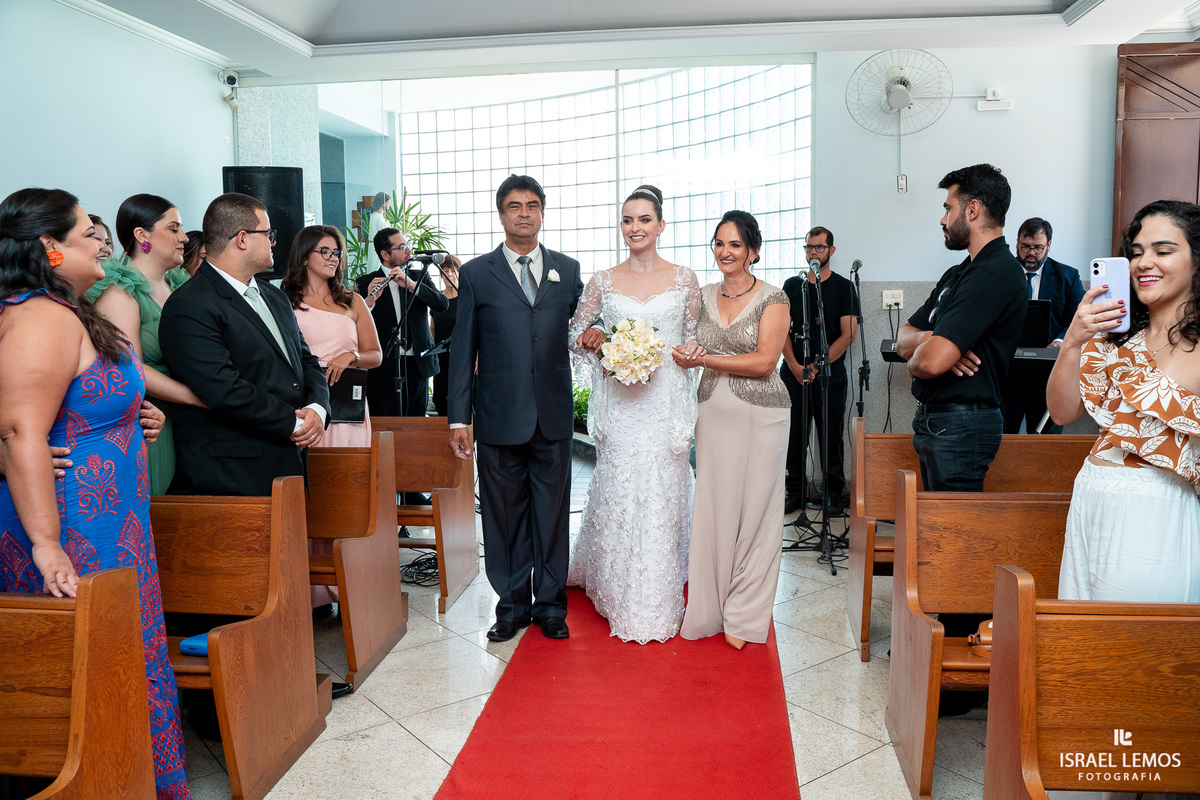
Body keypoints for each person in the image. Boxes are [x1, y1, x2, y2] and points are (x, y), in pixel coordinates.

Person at [0, 187, 191, 799]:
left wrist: (134, 416)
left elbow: (83, 401)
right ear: (49, 247)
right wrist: (46, 542)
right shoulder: (38, 316)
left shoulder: (73, 310)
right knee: (92, 663)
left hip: (114, 523)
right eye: (89, 234)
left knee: (124, 652)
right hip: (73, 526)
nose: (103, 245)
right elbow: (20, 430)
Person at [448, 174, 584, 643]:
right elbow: (462, 350)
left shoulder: (568, 269)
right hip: (498, 414)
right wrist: (458, 418)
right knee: (503, 515)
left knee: (552, 515)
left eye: (532, 205)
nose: (524, 214)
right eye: (514, 206)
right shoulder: (476, 273)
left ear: (542, 211)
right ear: (501, 213)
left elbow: (586, 326)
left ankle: (550, 606)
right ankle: (510, 607)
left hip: (552, 414)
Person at [567, 184, 703, 643]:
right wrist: (594, 340)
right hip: (622, 406)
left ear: (661, 225)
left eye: (644, 219)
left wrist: (688, 353)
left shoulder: (685, 280)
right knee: (622, 485)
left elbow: (692, 339)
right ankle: (613, 582)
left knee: (662, 488)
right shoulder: (603, 281)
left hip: (663, 404)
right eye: (627, 220)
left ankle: (657, 591)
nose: (635, 227)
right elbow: (575, 334)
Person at [1048, 199, 1200, 603]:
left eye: (1163, 251)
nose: (1143, 263)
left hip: (1156, 511)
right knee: (1084, 632)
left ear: (1196, 261)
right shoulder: (1113, 338)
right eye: (1136, 252)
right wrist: (1073, 341)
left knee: (1137, 637)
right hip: (1090, 498)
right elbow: (1062, 411)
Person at [159, 192, 330, 497]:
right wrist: (294, 424)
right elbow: (222, 388)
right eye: (268, 234)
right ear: (242, 239)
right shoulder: (190, 304)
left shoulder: (274, 296)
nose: (273, 242)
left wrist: (317, 408)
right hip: (233, 473)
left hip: (289, 461)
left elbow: (305, 360)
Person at [673, 210, 790, 650]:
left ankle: (744, 614)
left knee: (757, 509)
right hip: (713, 413)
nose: (726, 252)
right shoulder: (701, 295)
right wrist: (686, 353)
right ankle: (709, 609)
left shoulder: (774, 298)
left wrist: (704, 359)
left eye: (735, 244)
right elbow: (687, 342)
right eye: (719, 243)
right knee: (714, 506)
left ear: (753, 251)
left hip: (763, 415)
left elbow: (765, 362)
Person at [896, 163, 1027, 492]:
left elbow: (928, 363)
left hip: (962, 424)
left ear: (972, 209)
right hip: (939, 422)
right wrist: (932, 338)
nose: (943, 220)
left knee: (951, 524)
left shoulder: (994, 273)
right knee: (933, 520)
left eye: (948, 208)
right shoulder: (959, 274)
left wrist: (918, 360)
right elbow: (902, 339)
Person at [89, 194, 206, 494]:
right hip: (151, 420)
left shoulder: (179, 286)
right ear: (142, 235)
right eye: (174, 228)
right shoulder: (120, 293)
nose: (184, 237)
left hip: (190, 418)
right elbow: (132, 367)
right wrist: (199, 398)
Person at [780, 225, 859, 514]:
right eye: (809, 247)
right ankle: (795, 493)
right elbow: (780, 331)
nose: (813, 252)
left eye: (819, 247)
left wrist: (815, 366)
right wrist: (794, 365)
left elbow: (848, 335)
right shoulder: (793, 286)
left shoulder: (843, 287)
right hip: (793, 374)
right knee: (794, 437)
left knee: (830, 437)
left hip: (829, 375)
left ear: (831, 250)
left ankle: (833, 495)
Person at [282, 225, 382, 447]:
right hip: (303, 403)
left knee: (349, 463)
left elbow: (376, 355)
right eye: (324, 251)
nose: (333, 258)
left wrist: (352, 356)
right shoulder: (284, 302)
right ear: (304, 256)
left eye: (336, 252)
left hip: (346, 404)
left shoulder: (353, 301)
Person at [1001, 217, 1085, 434]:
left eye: (1038, 248)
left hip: (1050, 372)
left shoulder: (1067, 276)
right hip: (1007, 371)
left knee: (1046, 440)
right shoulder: (1000, 273)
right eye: (1025, 247)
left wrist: (1059, 340)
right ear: (1017, 243)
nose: (1031, 253)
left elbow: (1078, 318)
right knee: (1003, 437)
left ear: (1049, 245)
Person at [356, 227, 449, 417]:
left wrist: (412, 285)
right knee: (384, 422)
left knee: (416, 423)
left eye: (407, 245)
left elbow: (442, 304)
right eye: (402, 247)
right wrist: (369, 301)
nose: (409, 250)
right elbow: (353, 323)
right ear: (385, 254)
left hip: (417, 364)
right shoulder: (365, 282)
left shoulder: (418, 276)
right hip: (383, 365)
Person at [430, 254, 461, 417]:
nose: (449, 273)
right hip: (441, 358)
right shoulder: (438, 299)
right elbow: (432, 329)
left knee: (461, 397)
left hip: (462, 357)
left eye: (453, 270)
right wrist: (431, 353)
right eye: (445, 270)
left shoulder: (466, 297)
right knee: (440, 398)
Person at [363, 191, 390, 276]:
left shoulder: (375, 215)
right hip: (377, 247)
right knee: (375, 269)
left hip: (375, 246)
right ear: (383, 203)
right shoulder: (377, 216)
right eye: (388, 202)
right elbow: (384, 233)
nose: (389, 205)